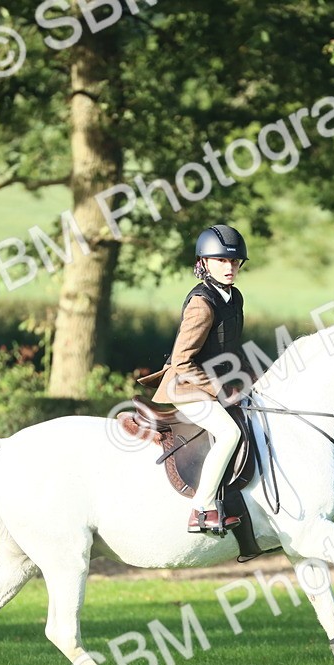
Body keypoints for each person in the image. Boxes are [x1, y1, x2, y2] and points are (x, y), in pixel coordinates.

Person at [138, 224, 252, 534]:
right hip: (186, 388)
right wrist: (220, 390)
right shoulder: (203, 303)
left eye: (233, 262)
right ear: (204, 263)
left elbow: (230, 348)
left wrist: (251, 380)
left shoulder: (233, 297)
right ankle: (201, 509)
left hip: (212, 384)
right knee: (229, 434)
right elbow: (182, 362)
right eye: (221, 261)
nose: (229, 268)